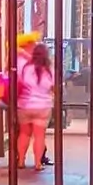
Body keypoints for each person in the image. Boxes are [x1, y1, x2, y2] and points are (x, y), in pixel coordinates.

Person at [15, 35, 60, 171]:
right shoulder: (50, 71)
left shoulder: (25, 68)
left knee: (24, 134)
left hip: (25, 105)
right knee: (39, 136)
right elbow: (54, 89)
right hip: (43, 106)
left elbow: (20, 83)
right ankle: (37, 164)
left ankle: (21, 161)